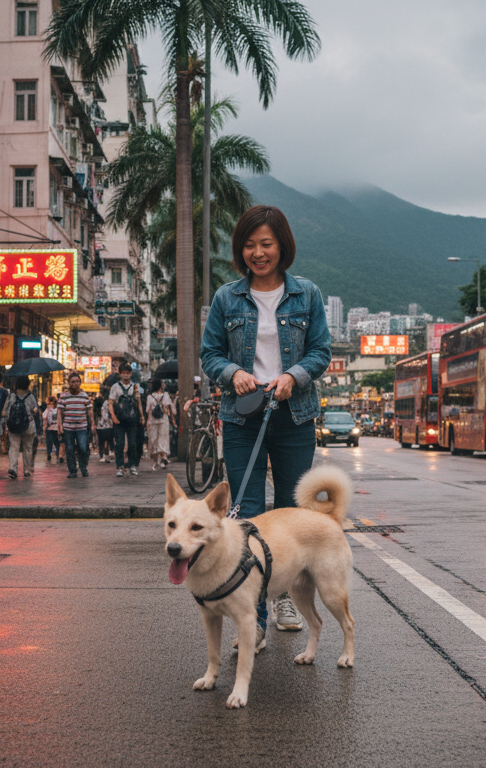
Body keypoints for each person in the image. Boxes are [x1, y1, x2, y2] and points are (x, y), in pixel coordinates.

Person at [200, 204, 331, 641]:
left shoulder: (307, 294)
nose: (258, 252)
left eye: (266, 244)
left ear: (282, 246)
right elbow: (211, 354)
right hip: (242, 417)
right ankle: (251, 616)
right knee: (248, 514)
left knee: (293, 516)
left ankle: (289, 596)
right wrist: (233, 373)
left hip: (294, 414)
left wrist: (294, 376)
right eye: (250, 245)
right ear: (241, 250)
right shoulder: (226, 297)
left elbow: (320, 351)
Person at [107, 364, 145, 477]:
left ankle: (132, 465)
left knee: (133, 443)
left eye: (128, 373)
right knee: (119, 444)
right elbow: (110, 402)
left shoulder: (135, 386)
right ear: (120, 374)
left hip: (132, 419)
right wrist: (113, 416)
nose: (126, 375)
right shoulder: (115, 387)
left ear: (131, 373)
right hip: (119, 420)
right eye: (123, 373)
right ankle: (120, 466)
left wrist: (142, 416)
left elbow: (138, 403)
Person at [56, 372, 95, 478]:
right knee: (69, 449)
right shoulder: (64, 396)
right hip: (68, 427)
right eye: (73, 382)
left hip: (82, 427)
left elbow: (90, 411)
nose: (75, 384)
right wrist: (59, 426)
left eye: (77, 381)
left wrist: (92, 424)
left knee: (83, 448)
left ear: (80, 383)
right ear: (69, 383)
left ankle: (83, 467)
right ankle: (72, 470)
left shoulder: (84, 396)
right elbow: (59, 412)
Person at [2, 376, 38, 479]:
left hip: (13, 426)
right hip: (28, 425)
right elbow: (35, 410)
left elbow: (4, 412)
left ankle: (13, 468)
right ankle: (27, 470)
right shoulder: (31, 397)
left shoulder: (11, 396)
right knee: (27, 448)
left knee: (14, 447)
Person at [146, 378, 174, 471]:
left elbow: (148, 410)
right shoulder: (165, 395)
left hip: (153, 420)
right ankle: (164, 457)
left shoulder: (150, 397)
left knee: (153, 440)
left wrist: (148, 421)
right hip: (164, 419)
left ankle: (154, 461)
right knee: (163, 438)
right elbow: (168, 410)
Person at [94, 391, 114, 463]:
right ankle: (108, 453)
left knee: (101, 441)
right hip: (108, 424)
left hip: (100, 425)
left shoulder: (97, 403)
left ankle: (102, 455)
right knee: (109, 440)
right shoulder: (107, 402)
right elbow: (106, 415)